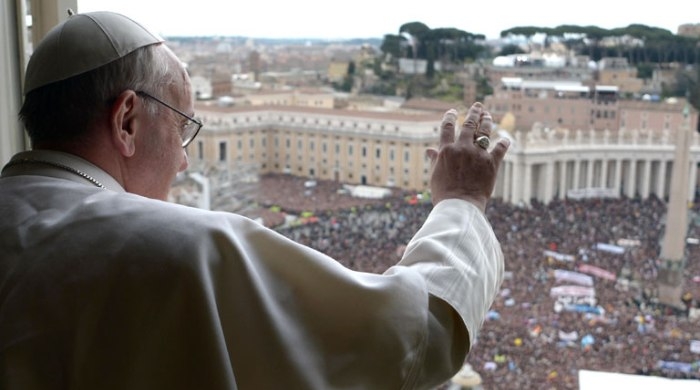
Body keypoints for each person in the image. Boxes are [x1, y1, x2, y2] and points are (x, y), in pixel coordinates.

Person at [0, 10, 509, 390]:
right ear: (127, 120)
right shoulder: (183, 248)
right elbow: (416, 337)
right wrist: (462, 202)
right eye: (181, 129)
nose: (183, 162)